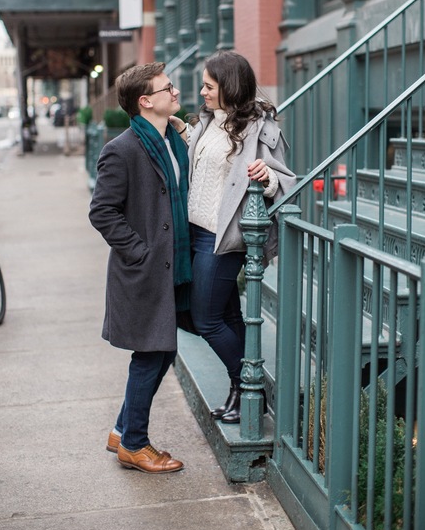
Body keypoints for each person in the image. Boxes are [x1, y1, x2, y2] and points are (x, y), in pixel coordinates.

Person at [177, 50, 297, 424]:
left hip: (223, 236)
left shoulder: (258, 128)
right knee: (222, 315)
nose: (203, 92)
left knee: (207, 319)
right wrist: (180, 129)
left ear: (229, 86)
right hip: (194, 232)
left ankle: (252, 389)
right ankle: (239, 390)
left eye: (209, 86)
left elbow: (285, 179)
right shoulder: (209, 122)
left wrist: (268, 175)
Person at [89, 62, 191, 473]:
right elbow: (102, 212)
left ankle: (121, 428)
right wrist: (140, 251)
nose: (176, 92)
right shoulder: (123, 148)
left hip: (172, 266)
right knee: (153, 353)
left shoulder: (172, 139)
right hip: (145, 270)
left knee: (161, 352)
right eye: (168, 88)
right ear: (145, 101)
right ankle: (134, 443)